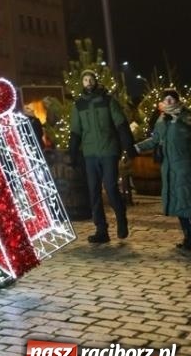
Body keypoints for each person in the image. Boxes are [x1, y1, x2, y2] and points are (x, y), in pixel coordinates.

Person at [69, 69, 136, 244]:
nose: (88, 81)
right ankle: (101, 230)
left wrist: (128, 146)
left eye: (91, 78)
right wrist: (73, 153)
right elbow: (75, 131)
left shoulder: (108, 101)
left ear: (95, 81)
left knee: (111, 187)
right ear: (82, 83)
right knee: (93, 192)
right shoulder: (78, 105)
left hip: (109, 151)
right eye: (85, 79)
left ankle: (121, 218)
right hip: (90, 154)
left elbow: (121, 124)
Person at [135, 88, 191, 251]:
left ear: (177, 100)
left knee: (186, 201)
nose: (169, 101)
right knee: (178, 203)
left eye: (171, 99)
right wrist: (136, 148)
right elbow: (155, 140)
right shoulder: (162, 119)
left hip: (184, 166)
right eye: (166, 99)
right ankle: (188, 237)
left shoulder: (186, 117)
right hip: (169, 168)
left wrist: (179, 121)